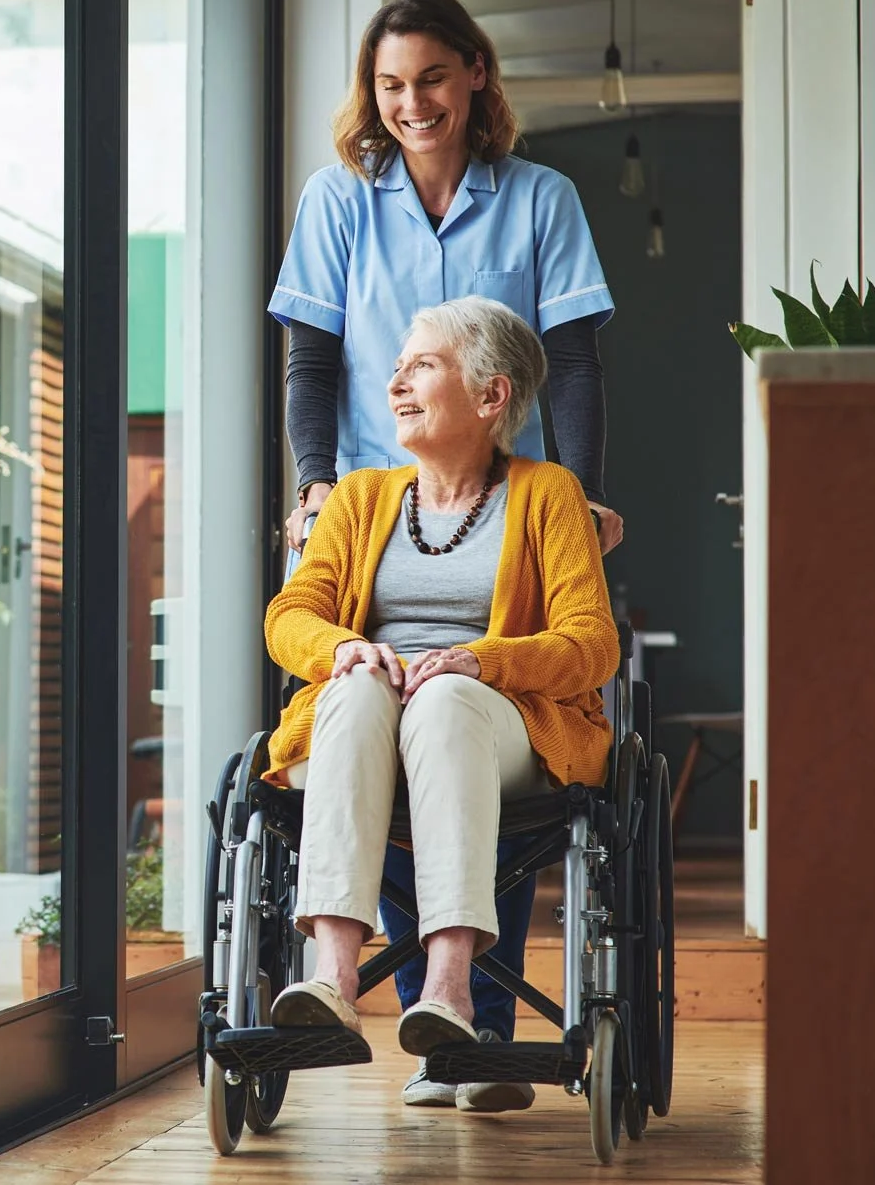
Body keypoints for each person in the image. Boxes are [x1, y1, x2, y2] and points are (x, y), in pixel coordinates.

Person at [269, 0, 620, 1111]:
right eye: (388, 84)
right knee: (363, 701)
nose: (408, 102)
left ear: (473, 76)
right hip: (381, 499)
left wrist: (576, 493)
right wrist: (316, 488)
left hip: (501, 500)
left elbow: (570, 360)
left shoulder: (537, 199)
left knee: (459, 707)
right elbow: (310, 359)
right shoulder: (339, 199)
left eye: (428, 78)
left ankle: (468, 1017)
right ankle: (360, 984)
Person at [264, 298, 619, 1092]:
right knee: (352, 690)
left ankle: (451, 987)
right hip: (373, 720)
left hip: (500, 722)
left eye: (420, 364)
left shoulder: (549, 493)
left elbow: (592, 642)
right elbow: (290, 616)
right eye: (395, 367)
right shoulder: (356, 498)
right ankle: (332, 977)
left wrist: (479, 661)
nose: (395, 383)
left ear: (492, 396)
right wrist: (344, 646)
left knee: (443, 700)